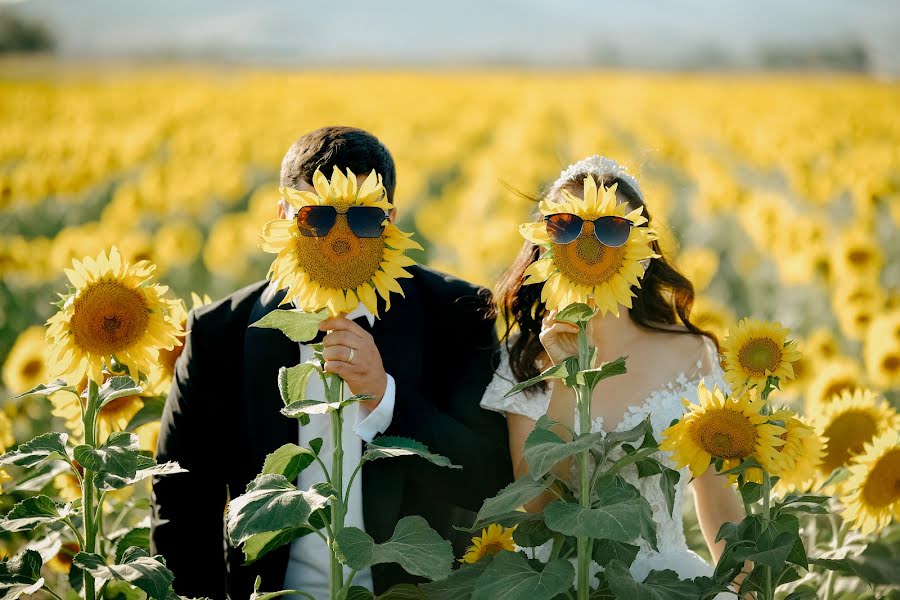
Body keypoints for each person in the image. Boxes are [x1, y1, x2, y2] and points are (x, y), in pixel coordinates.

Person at [151, 126, 513, 599]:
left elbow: (489, 481)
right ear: (282, 216)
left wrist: (385, 400)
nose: (338, 240)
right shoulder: (220, 335)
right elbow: (181, 504)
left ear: (391, 221)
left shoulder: (455, 315)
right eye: (317, 218)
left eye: (362, 219)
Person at [481, 156, 747, 597]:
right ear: (544, 244)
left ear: (640, 246)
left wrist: (746, 588)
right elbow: (536, 505)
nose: (588, 243)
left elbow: (718, 502)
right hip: (562, 584)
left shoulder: (689, 353)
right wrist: (567, 377)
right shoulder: (525, 358)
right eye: (565, 226)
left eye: (611, 228)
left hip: (664, 584)